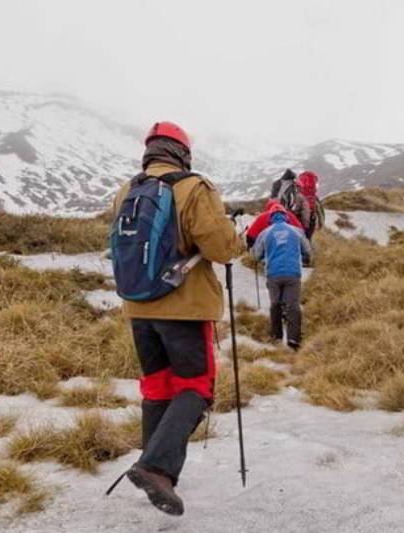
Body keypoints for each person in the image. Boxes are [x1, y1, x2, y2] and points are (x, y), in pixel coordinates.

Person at [110, 121, 244, 516]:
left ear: (149, 152)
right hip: (183, 306)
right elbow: (221, 248)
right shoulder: (193, 187)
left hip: (137, 306)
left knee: (158, 387)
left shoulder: (125, 191)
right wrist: (234, 235)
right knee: (196, 388)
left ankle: (154, 467)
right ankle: (156, 467)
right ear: (182, 152)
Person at [251, 204, 312, 350]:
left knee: (275, 305)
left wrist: (263, 258)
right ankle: (294, 340)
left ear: (271, 218)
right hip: (293, 273)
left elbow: (255, 254)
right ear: (286, 217)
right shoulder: (296, 231)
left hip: (273, 274)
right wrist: (304, 257)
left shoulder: (265, 233)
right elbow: (308, 250)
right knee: (293, 306)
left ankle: (276, 338)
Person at [296, 171, 323, 241]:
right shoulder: (314, 197)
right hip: (311, 219)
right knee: (308, 237)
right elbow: (320, 212)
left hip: (297, 219)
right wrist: (320, 224)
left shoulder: (297, 194)